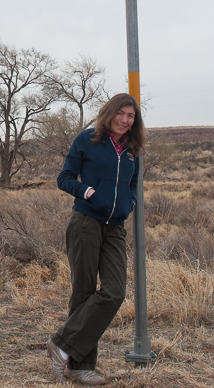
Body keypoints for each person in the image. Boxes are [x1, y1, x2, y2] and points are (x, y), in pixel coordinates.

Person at [47, 93, 147, 385]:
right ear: (110, 113)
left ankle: (61, 344)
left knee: (115, 291)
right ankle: (81, 366)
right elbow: (64, 178)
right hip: (86, 223)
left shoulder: (132, 149)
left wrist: (128, 203)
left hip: (114, 227)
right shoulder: (87, 139)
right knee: (83, 292)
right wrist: (87, 192)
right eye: (121, 114)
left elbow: (131, 184)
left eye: (131, 117)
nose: (125, 120)